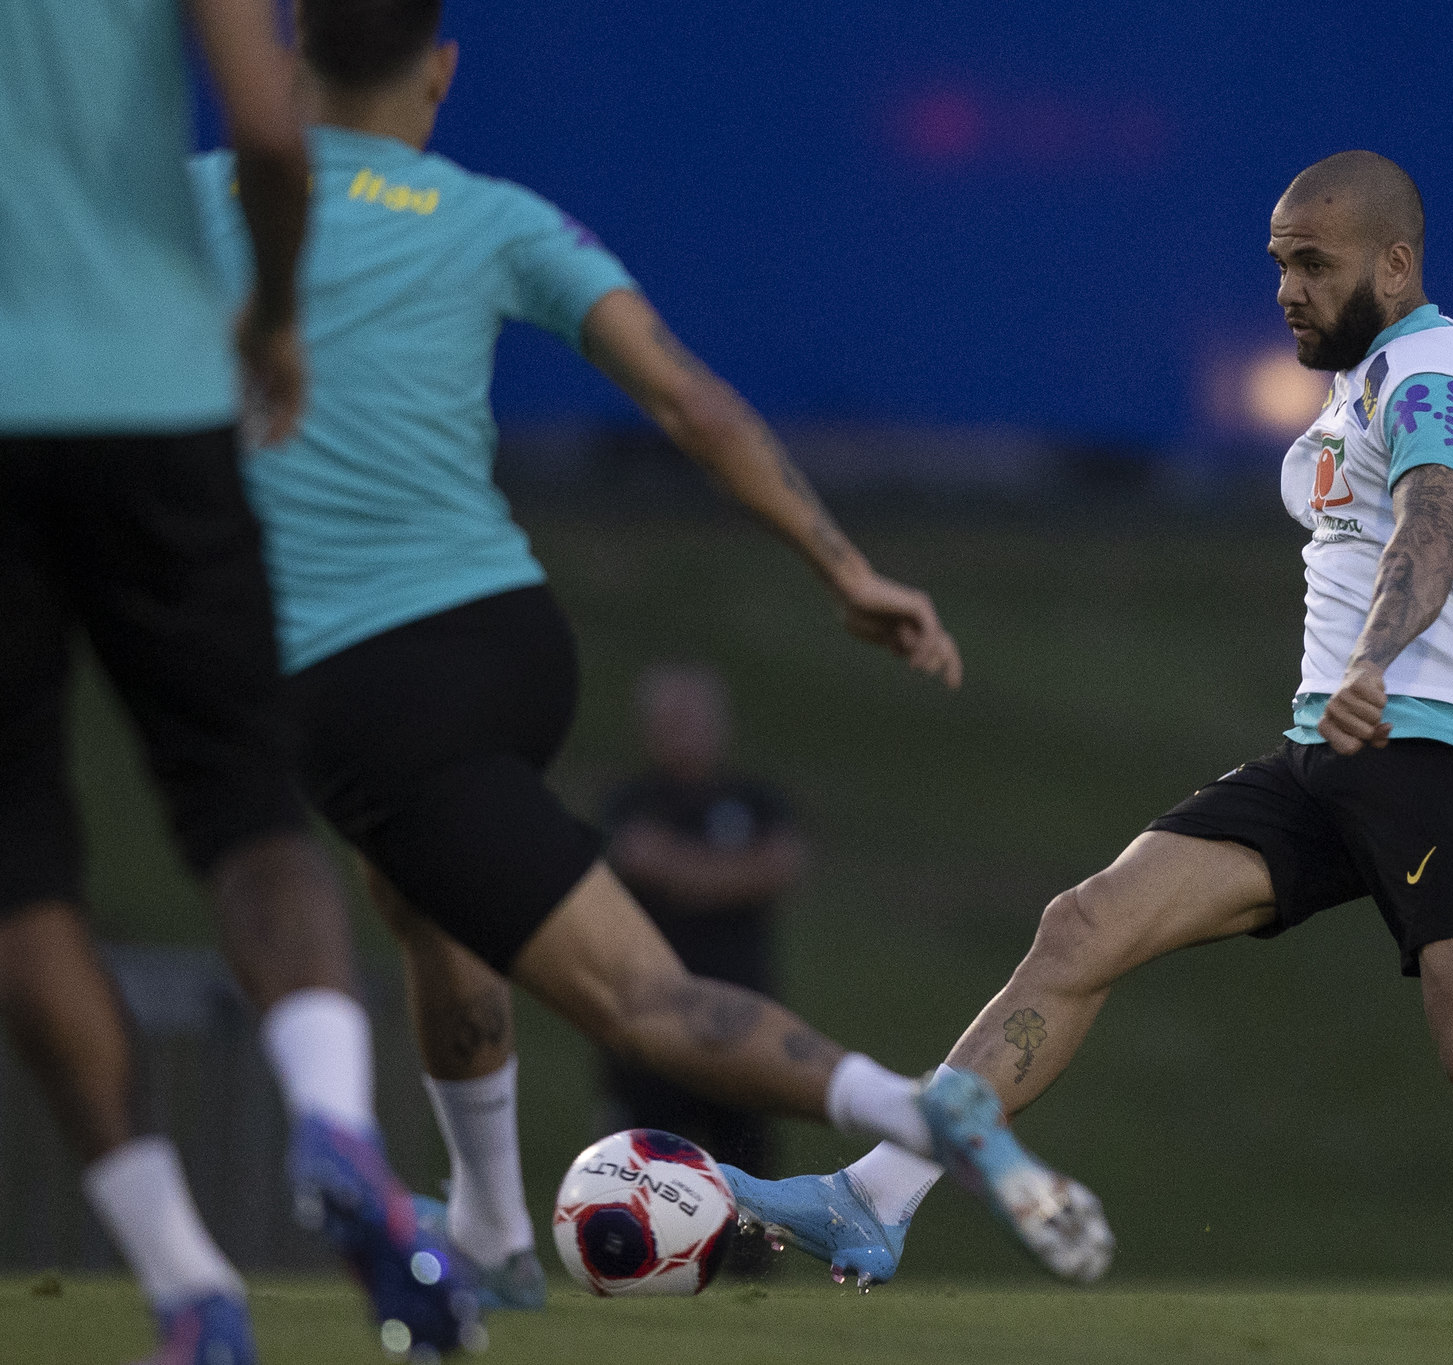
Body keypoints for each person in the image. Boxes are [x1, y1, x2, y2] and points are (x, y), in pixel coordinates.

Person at [731, 150, 1453, 1302]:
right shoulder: (1436, 371)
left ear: (1393, 265)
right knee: (1083, 927)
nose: (1286, 291)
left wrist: (1371, 662)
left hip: (1437, 752)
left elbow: (1430, 525)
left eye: (1312, 265)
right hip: (1332, 753)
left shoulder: (1426, 380)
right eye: (1278, 265)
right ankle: (875, 1197)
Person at [189, 0, 1113, 1300]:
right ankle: (495, 1229)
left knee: (638, 1001)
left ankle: (911, 1111)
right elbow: (691, 401)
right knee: (422, 901)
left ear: (287, 58)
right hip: (510, 635)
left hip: (368, 672)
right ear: (440, 71)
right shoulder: (496, 216)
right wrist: (841, 567)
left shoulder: (199, 201)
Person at [0, 3, 474, 1361]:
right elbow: (270, 128)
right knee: (247, 811)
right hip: (155, 390)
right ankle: (333, 1123)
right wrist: (269, 314)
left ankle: (187, 1283)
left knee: (20, 876)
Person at [602, 664, 798, 1174]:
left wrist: (683, 871)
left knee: (748, 1176)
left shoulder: (756, 800)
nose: (687, 733)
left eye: (696, 719)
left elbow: (780, 865)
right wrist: (730, 873)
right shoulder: (631, 802)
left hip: (744, 1020)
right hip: (651, 1022)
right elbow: (635, 857)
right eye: (674, 720)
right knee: (642, 1174)